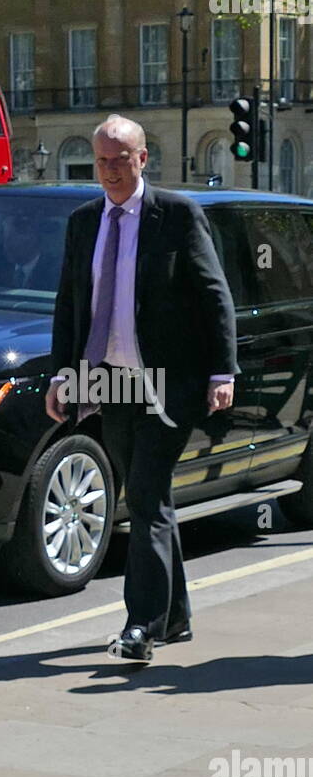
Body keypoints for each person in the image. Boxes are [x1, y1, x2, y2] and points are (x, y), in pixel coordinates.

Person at [45, 114, 238, 663]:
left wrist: (222, 373)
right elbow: (70, 304)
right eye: (102, 160)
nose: (110, 170)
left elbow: (213, 294)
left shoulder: (176, 215)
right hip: (111, 377)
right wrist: (64, 374)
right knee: (149, 495)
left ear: (142, 159)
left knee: (146, 493)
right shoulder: (84, 221)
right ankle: (174, 617)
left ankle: (142, 625)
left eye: (120, 159)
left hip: (169, 379)